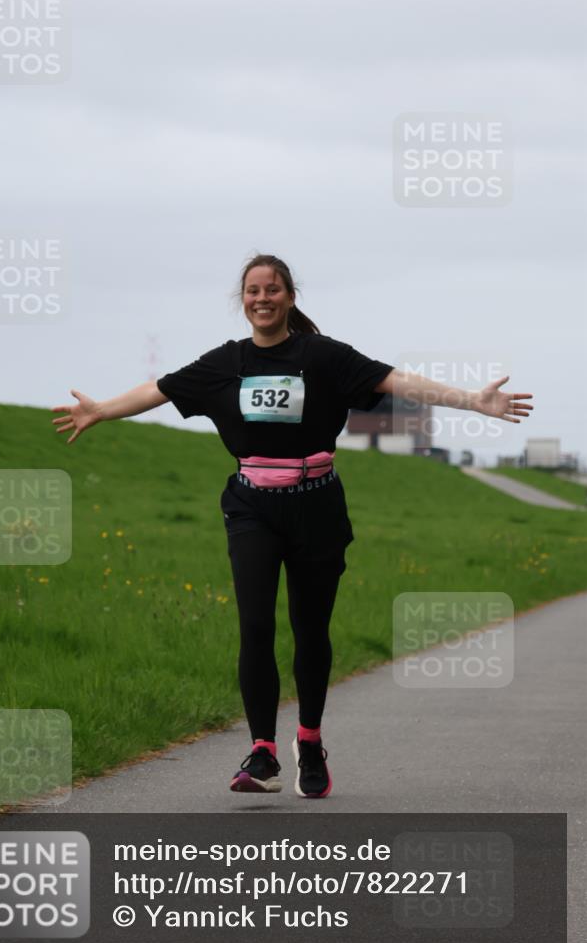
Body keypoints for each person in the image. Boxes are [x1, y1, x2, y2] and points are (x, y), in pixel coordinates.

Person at [51, 253, 533, 798]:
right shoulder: (225, 364)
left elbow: (396, 381)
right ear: (243, 299)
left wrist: (473, 400)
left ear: (290, 296)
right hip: (252, 507)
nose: (262, 299)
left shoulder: (322, 356)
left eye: (273, 289)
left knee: (311, 630)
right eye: (253, 291)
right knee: (255, 626)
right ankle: (262, 751)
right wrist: (101, 410)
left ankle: (309, 741)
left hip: (317, 505)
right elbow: (159, 389)